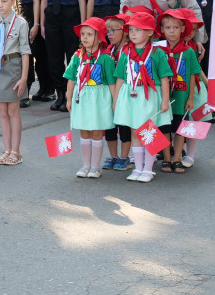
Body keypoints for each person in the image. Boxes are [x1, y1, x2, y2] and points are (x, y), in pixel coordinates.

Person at [111, 11, 172, 183]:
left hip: (150, 96)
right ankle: (138, 168)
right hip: (130, 96)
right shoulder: (126, 53)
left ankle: (148, 169)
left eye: (138, 30)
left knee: (148, 131)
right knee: (135, 132)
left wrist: (165, 100)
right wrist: (116, 101)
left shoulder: (157, 53)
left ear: (151, 32)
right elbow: (120, 78)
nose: (133, 34)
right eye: (131, 30)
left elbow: (165, 77)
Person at [0, 0, 31, 165]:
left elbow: (25, 51)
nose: (0, 5)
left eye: (4, 1)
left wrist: (24, 78)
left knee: (13, 110)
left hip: (13, 66)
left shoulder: (20, 23)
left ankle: (16, 151)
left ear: (13, 1)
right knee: (2, 111)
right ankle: (6, 149)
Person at [64, 17, 116, 178]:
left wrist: (115, 102)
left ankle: (95, 167)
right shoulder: (77, 57)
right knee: (84, 131)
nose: (84, 38)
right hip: (82, 97)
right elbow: (71, 79)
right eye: (83, 34)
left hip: (99, 99)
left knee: (97, 132)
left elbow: (111, 83)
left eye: (89, 34)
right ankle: (85, 165)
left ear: (99, 37)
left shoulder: (106, 58)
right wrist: (68, 98)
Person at [39, 0, 87, 111]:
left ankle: (72, 94)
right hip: (52, 18)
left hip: (71, 18)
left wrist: (83, 25)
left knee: (73, 57)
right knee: (54, 59)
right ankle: (60, 94)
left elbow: (82, 0)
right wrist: (42, 24)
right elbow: (44, 1)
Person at [158, 9, 201, 173]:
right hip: (164, 98)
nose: (171, 31)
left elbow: (191, 76)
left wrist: (190, 98)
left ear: (183, 29)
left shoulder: (188, 51)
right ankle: (167, 159)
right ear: (162, 30)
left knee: (180, 128)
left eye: (176, 27)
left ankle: (177, 159)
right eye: (167, 28)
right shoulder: (158, 50)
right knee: (165, 129)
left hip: (182, 97)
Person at [100, 14, 132, 171]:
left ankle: (124, 157)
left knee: (124, 125)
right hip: (108, 93)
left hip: (124, 93)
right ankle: (114, 156)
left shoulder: (130, 50)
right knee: (110, 125)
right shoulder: (108, 50)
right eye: (107, 31)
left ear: (125, 31)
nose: (109, 34)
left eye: (113, 30)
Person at [29, 0, 57, 103]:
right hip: (34, 14)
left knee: (50, 54)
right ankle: (42, 88)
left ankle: (51, 88)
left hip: (49, 14)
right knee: (37, 53)